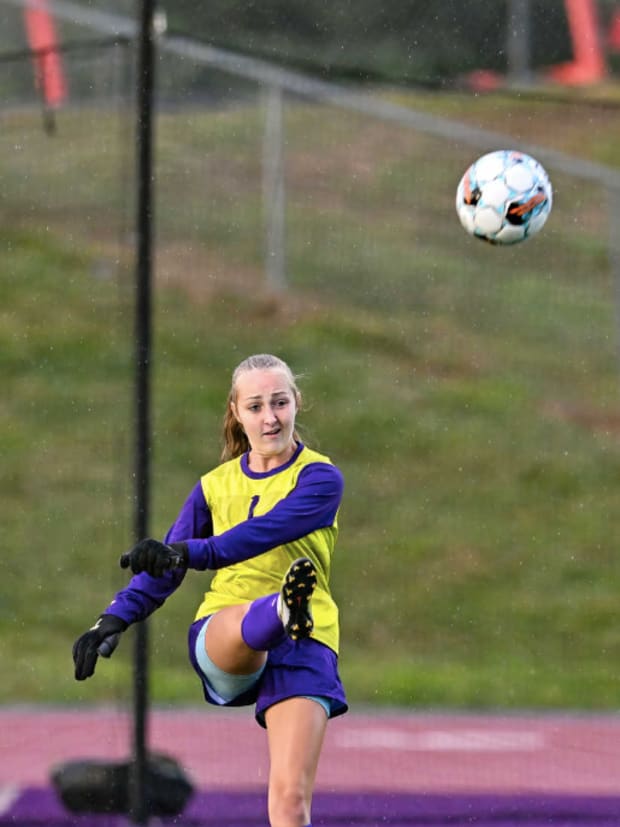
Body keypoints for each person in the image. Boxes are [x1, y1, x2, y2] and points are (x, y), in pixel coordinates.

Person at [72, 353, 348, 827]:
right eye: (256, 406)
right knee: (242, 625)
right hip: (227, 635)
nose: (270, 418)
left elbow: (261, 532)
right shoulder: (214, 486)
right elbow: (164, 569)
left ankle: (284, 611)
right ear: (237, 413)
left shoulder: (321, 478)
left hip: (307, 637)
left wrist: (188, 551)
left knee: (289, 800)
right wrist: (113, 618)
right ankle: (276, 611)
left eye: (280, 403)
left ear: (297, 403)